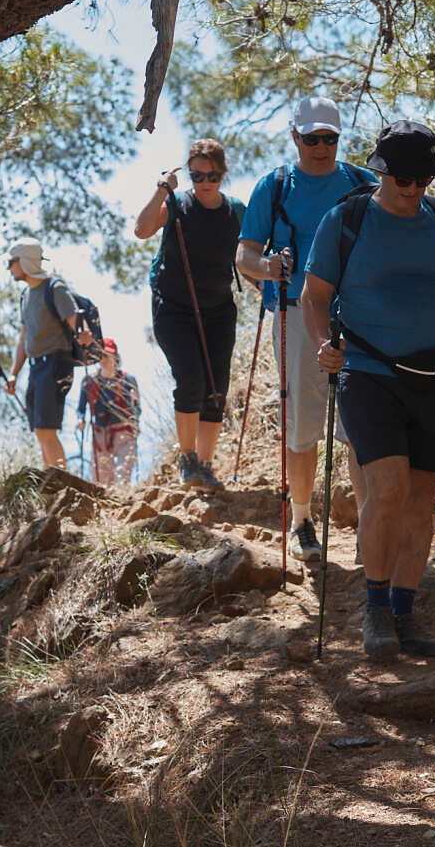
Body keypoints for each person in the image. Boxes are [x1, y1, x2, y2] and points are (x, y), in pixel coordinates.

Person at [301, 119, 435, 661]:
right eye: (404, 179)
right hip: (367, 372)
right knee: (387, 488)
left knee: (421, 501)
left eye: (423, 179)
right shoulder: (344, 220)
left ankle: (404, 612)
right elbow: (314, 296)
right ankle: (374, 612)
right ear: (382, 171)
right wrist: (325, 344)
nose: (414, 189)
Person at [236, 96, 376, 561]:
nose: (321, 146)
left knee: (360, 423)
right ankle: (301, 522)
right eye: (312, 138)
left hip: (357, 312)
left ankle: (368, 527)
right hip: (294, 313)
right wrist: (268, 265)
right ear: (295, 137)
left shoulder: (362, 183)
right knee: (301, 425)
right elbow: (245, 257)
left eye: (329, 138)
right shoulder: (274, 186)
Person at [134, 138, 244, 491]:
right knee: (191, 379)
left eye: (211, 176)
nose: (204, 182)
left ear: (223, 174)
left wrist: (271, 281)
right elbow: (142, 230)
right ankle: (187, 458)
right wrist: (163, 188)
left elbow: (248, 258)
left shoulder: (237, 211)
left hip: (218, 309)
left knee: (216, 388)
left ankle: (206, 465)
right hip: (173, 307)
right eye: (197, 175)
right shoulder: (177, 205)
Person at [3, 236, 90, 468]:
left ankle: (61, 485)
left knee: (46, 428)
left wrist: (84, 335)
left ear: (24, 261)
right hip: (37, 367)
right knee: (41, 430)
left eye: (11, 262)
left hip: (56, 363)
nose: (9, 268)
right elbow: (23, 339)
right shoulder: (25, 296)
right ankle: (53, 482)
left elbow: (76, 322)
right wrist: (14, 374)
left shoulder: (54, 288)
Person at [77, 338, 140, 485]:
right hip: (100, 436)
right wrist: (80, 420)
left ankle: (124, 503)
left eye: (107, 355)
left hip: (124, 433)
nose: (103, 359)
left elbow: (136, 407)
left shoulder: (128, 380)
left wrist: (136, 423)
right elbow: (81, 409)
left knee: (123, 476)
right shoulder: (88, 381)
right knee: (102, 482)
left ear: (115, 357)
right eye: (100, 355)